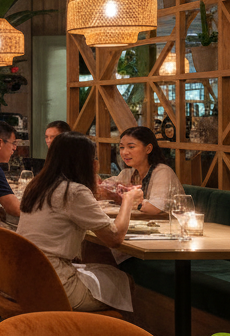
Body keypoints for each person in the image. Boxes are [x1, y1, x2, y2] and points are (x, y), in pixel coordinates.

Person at [17, 132, 142, 312]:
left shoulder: (38, 186)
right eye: (95, 158)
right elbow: (115, 238)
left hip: (23, 279)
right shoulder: (73, 191)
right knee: (125, 281)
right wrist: (128, 200)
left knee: (104, 266)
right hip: (54, 285)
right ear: (86, 162)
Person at [102, 126, 182, 215]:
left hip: (170, 226)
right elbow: (104, 187)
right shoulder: (127, 174)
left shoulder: (162, 172)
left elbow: (154, 208)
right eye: (121, 147)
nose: (124, 152)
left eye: (131, 147)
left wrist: (129, 200)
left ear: (148, 149)